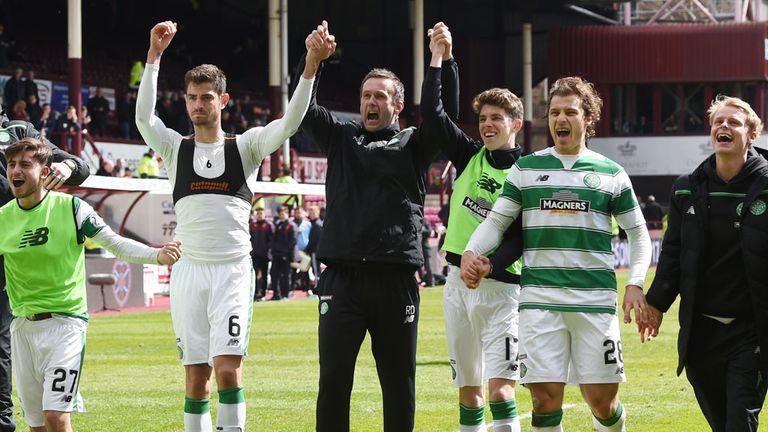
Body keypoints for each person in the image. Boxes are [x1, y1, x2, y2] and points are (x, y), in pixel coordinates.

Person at [135, 20, 324, 431]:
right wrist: (154, 56)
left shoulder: (246, 146)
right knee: (196, 379)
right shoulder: (174, 148)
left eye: (206, 97)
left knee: (226, 372)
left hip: (233, 272)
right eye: (191, 98)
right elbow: (144, 121)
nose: (198, 105)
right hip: (189, 273)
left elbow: (289, 123)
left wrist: (310, 65)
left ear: (223, 100)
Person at [463, 76, 652, 432]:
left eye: (570, 112)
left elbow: (638, 233)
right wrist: (473, 251)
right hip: (539, 302)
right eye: (554, 113)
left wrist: (635, 284)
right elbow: (497, 221)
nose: (560, 120)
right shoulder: (526, 169)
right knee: (543, 400)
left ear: (587, 118)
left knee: (602, 402)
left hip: (594, 302)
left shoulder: (611, 173)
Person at [298, 20, 458, 431]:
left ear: (397, 105)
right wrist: (312, 62)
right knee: (333, 380)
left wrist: (443, 62)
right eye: (366, 95)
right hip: (342, 280)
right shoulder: (342, 137)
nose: (371, 102)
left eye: (380, 96)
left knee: (398, 384)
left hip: (395, 281)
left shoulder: (414, 144)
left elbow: (443, 121)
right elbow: (304, 113)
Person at [0, 137, 180, 432]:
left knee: (57, 417)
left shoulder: (72, 208)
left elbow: (116, 244)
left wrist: (157, 255)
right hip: (21, 328)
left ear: (45, 172)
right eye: (11, 164)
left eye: (25, 164)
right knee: (35, 425)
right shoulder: (3, 218)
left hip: (65, 325)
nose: (15, 171)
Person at [640, 96, 768, 432]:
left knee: (740, 423)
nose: (723, 127)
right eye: (718, 122)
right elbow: (673, 254)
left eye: (734, 122)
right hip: (701, 335)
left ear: (752, 134)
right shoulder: (686, 188)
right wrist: (655, 303)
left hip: (751, 331)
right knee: (721, 423)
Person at [421, 22, 526, 432]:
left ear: (515, 124)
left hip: (502, 289)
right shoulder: (468, 156)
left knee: (501, 391)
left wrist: (489, 263)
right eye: (482, 118)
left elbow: (524, 236)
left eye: (497, 119)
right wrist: (441, 58)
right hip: (455, 286)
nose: (487, 125)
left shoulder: (528, 171)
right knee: (469, 394)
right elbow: (433, 114)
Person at [0, 108, 89, 432]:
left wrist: (66, 165)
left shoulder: (19, 133)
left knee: (1, 345)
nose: (15, 170)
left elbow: (81, 167)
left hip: (20, 254)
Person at [269, 206, 296, 301]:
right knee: (274, 274)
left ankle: (285, 295)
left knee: (286, 275)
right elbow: (273, 240)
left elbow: (292, 241)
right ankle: (276, 294)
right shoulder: (278, 225)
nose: (282, 216)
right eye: (280, 214)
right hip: (276, 254)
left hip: (286, 255)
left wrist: (285, 252)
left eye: (283, 214)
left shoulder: (291, 226)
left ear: (287, 214)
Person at [249, 207, 273, 301]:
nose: (259, 215)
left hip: (265, 255)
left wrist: (267, 250)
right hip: (254, 255)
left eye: (261, 213)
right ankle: (254, 294)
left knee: (264, 275)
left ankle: (263, 293)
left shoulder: (268, 225)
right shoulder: (252, 226)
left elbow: (271, 240)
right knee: (253, 275)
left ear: (264, 214)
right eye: (258, 213)